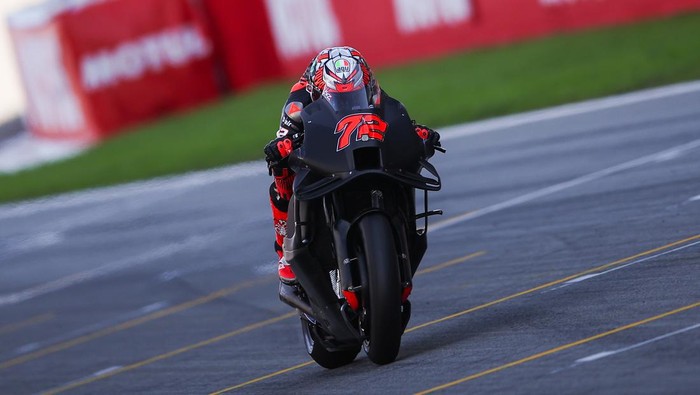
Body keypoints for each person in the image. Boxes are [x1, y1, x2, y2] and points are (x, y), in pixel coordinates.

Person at [264, 46, 441, 284]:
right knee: (280, 169)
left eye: (353, 94)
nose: (348, 99)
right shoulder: (297, 103)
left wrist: (416, 133)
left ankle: (401, 224)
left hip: (357, 155)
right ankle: (283, 250)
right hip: (322, 150)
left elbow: (395, 120)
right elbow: (282, 139)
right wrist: (283, 146)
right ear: (317, 91)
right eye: (340, 96)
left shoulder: (372, 90)